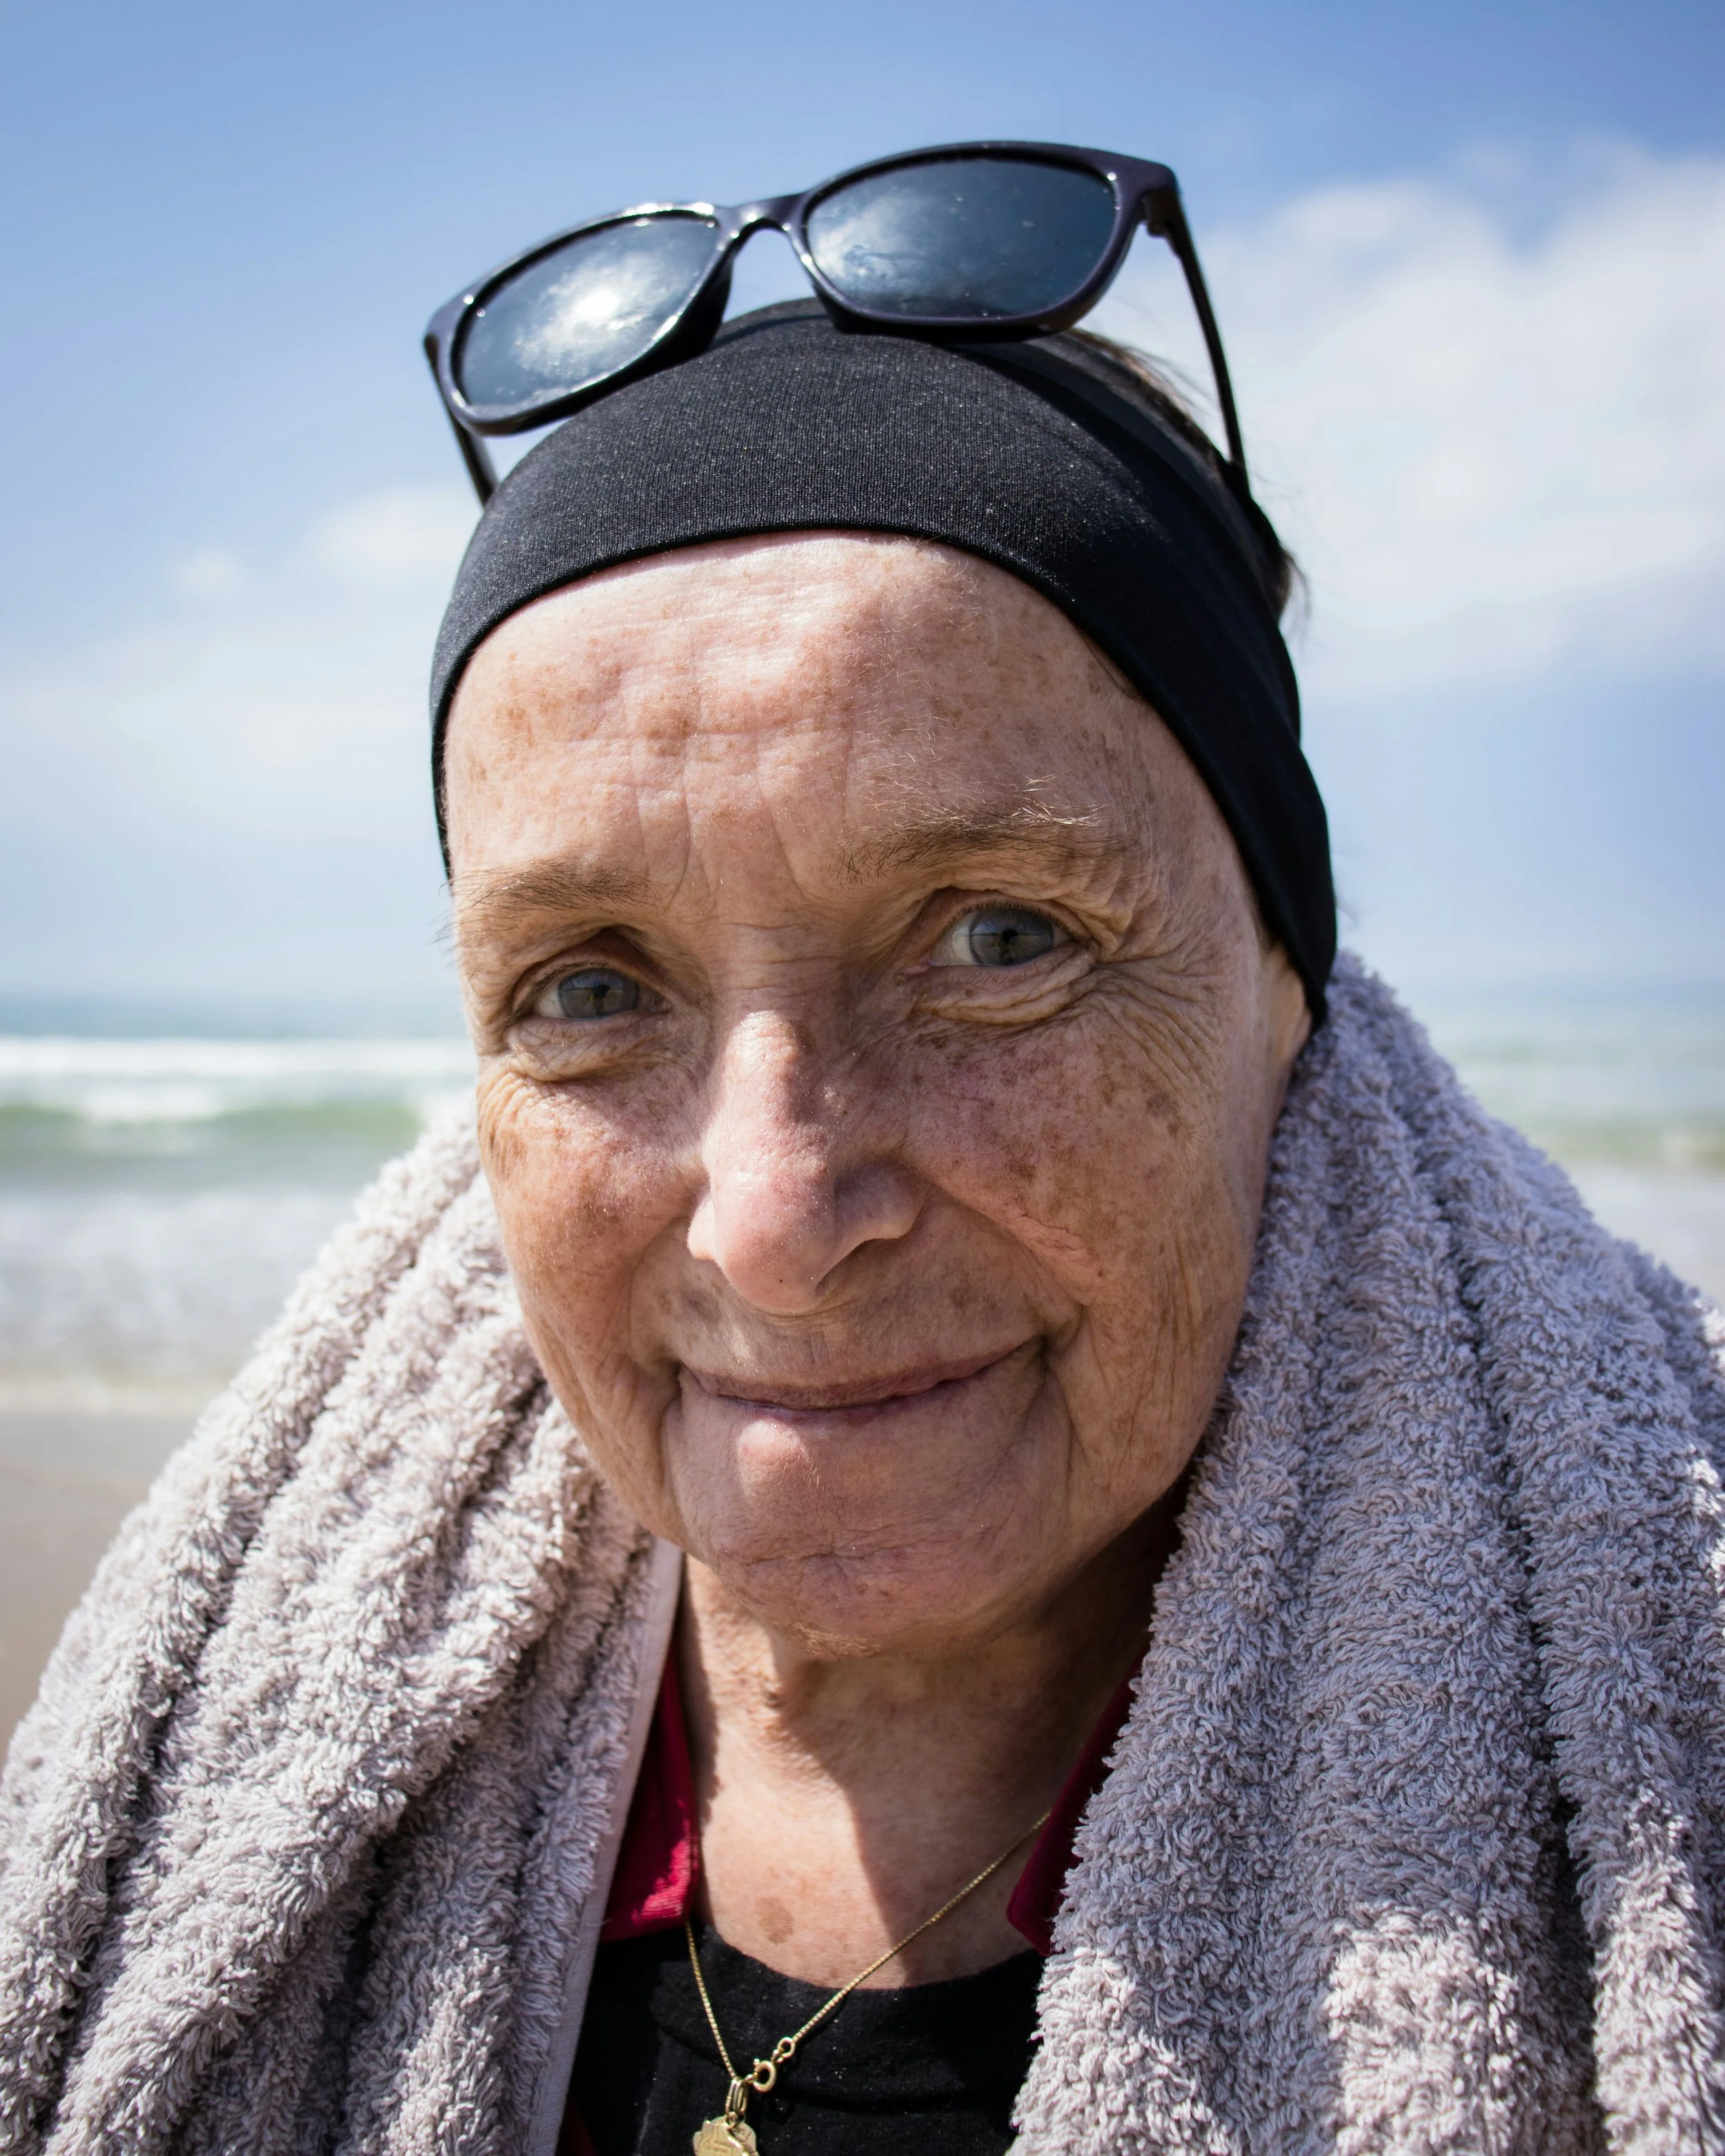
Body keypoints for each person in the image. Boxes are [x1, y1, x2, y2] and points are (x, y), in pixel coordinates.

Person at [4, 148, 1725, 2156]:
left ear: (1281, 983)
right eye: (586, 986)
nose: (775, 1222)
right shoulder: (252, 1769)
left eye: (999, 939)